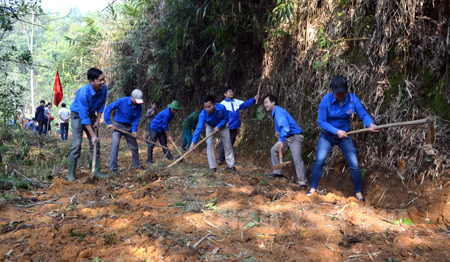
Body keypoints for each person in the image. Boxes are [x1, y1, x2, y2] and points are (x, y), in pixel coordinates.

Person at [307, 75, 379, 202]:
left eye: (343, 92)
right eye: (338, 93)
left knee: (354, 165)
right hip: (328, 135)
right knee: (319, 160)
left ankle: (358, 194)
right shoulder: (326, 100)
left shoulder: (352, 99)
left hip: (345, 136)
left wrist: (370, 124)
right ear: (332, 91)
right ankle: (312, 189)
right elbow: (321, 121)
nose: (341, 95)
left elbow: (363, 114)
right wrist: (336, 131)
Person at [68, 68, 109, 182]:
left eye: (103, 79)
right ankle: (71, 173)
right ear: (91, 81)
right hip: (77, 115)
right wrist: (92, 134)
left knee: (96, 144)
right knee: (77, 144)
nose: (103, 82)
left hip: (91, 115)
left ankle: (96, 171)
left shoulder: (103, 88)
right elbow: (84, 117)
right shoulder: (83, 94)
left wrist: (98, 120)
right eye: (100, 80)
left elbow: (102, 104)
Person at [263, 95, 307, 188]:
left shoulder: (279, 112)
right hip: (287, 137)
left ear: (273, 102)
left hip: (295, 137)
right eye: (264, 103)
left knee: (297, 159)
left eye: (266, 102)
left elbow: (286, 128)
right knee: (274, 150)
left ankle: (302, 183)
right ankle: (278, 173)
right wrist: (277, 132)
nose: (265, 105)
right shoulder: (275, 112)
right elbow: (279, 126)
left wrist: (281, 140)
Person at [190, 95, 237, 173]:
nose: (207, 109)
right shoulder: (202, 114)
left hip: (223, 126)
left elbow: (226, 118)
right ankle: (212, 167)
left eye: (209, 106)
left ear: (214, 105)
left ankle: (231, 166)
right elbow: (199, 128)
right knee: (209, 145)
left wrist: (219, 126)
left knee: (228, 145)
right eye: (205, 107)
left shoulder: (222, 108)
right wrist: (193, 142)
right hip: (210, 126)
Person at [104, 89, 147, 172]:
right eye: (136, 100)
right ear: (132, 96)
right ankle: (113, 168)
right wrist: (108, 122)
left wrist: (134, 130)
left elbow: (136, 119)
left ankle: (137, 166)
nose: (137, 102)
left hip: (129, 127)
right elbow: (109, 108)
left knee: (134, 146)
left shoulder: (139, 106)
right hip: (118, 126)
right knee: (115, 145)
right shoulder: (121, 101)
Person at [218, 88, 260, 164]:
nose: (231, 93)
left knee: (231, 143)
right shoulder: (222, 104)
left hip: (234, 126)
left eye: (232, 91)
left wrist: (254, 99)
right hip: (226, 126)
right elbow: (219, 116)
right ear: (225, 94)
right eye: (229, 92)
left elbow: (246, 104)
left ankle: (228, 159)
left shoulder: (237, 101)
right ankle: (221, 158)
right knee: (223, 142)